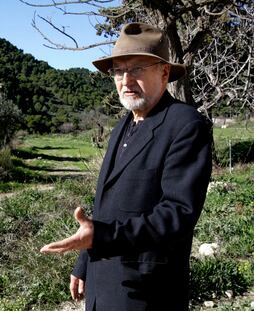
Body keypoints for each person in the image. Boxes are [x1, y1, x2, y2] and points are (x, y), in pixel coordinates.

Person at [40, 22, 212, 311]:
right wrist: (84, 261)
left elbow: (177, 214)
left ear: (164, 72)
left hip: (147, 289)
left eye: (136, 69)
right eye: (118, 71)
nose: (125, 80)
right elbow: (105, 205)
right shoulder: (124, 124)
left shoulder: (185, 125)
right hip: (102, 281)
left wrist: (104, 237)